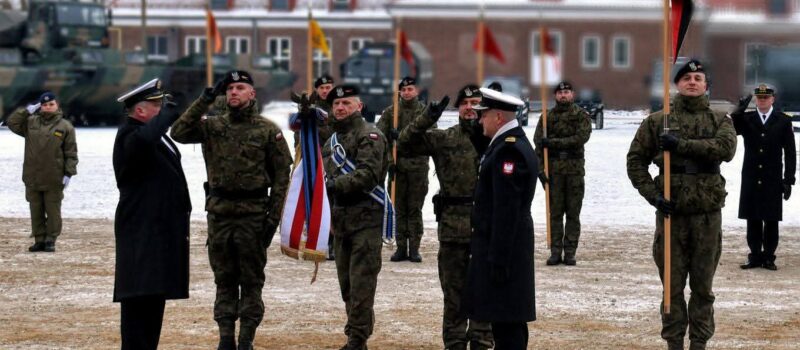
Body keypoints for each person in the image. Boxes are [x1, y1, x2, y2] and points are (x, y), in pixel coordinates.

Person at [170, 70, 292, 350]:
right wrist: (205, 99)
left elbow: (281, 178)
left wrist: (272, 219)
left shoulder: (267, 130)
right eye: (229, 89)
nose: (233, 93)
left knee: (251, 281)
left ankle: (246, 339)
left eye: (240, 88)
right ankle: (225, 338)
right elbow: (178, 132)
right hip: (220, 215)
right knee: (224, 280)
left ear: (252, 93)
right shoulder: (212, 126)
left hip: (253, 216)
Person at [626, 59, 736, 350]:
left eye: (698, 78)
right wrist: (653, 195)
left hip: (706, 216)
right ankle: (673, 342)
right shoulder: (657, 122)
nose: (692, 82)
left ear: (706, 85)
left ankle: (699, 343)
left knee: (703, 288)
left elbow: (726, 150)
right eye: (686, 78)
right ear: (676, 84)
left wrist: (681, 145)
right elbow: (635, 161)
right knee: (671, 289)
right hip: (671, 216)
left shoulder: (720, 119)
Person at [398, 84, 494, 350]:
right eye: (465, 103)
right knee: (453, 294)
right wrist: (428, 116)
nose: (470, 108)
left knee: (484, 289)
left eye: (475, 103)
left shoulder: (495, 140)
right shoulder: (445, 138)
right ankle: (454, 342)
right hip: (453, 228)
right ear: (458, 108)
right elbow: (405, 143)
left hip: (485, 227)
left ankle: (481, 341)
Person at [112, 78, 191, 350]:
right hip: (140, 238)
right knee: (138, 309)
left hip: (158, 236)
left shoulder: (154, 136)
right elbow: (144, 141)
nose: (162, 110)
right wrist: (168, 114)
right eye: (157, 105)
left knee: (152, 307)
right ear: (140, 110)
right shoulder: (129, 136)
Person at [463, 88, 538, 350]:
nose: (479, 120)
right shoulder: (506, 144)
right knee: (507, 319)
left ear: (497, 117)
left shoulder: (509, 151)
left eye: (483, 115)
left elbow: (507, 211)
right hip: (506, 249)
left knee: (507, 323)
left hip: (505, 252)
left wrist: (498, 259)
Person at [322, 84, 389, 350]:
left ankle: (356, 339)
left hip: (366, 219)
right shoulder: (331, 141)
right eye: (336, 104)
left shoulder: (370, 135)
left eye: (346, 103)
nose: (340, 108)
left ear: (359, 106)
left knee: (362, 285)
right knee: (347, 285)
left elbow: (367, 176)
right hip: (341, 220)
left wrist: (333, 186)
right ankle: (356, 336)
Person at [730, 84, 795, 271]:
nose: (762, 101)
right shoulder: (748, 119)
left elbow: (790, 153)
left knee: (771, 219)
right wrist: (739, 109)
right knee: (753, 218)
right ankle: (755, 256)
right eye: (759, 98)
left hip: (772, 178)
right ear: (756, 100)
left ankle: (769, 257)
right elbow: (733, 128)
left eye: (766, 98)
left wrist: (788, 180)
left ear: (772, 99)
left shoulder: (783, 121)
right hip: (751, 176)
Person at [6, 91, 78, 253]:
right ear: (40, 107)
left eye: (51, 104)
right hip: (32, 176)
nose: (48, 107)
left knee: (53, 211)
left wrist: (69, 173)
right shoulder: (31, 122)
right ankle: (39, 240)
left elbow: (71, 153)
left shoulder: (65, 126)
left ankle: (50, 240)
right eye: (44, 105)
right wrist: (26, 111)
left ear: (57, 105)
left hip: (54, 177)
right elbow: (12, 123)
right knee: (36, 210)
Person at [533, 81, 592, 266]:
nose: (563, 95)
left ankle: (570, 252)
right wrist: (540, 170)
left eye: (566, 92)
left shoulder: (581, 115)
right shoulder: (547, 118)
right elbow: (538, 145)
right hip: (554, 172)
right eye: (560, 92)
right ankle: (556, 251)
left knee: (573, 214)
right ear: (555, 96)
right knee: (555, 214)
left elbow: (580, 138)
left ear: (572, 94)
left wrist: (553, 143)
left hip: (574, 172)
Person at [377, 76, 431, 262]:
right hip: (397, 167)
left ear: (417, 91)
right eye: (404, 90)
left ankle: (414, 248)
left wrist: (403, 136)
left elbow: (430, 137)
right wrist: (389, 161)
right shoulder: (391, 112)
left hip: (418, 167)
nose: (407, 93)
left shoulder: (424, 112)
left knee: (414, 209)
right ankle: (401, 247)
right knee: (399, 208)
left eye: (410, 89)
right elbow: (379, 138)